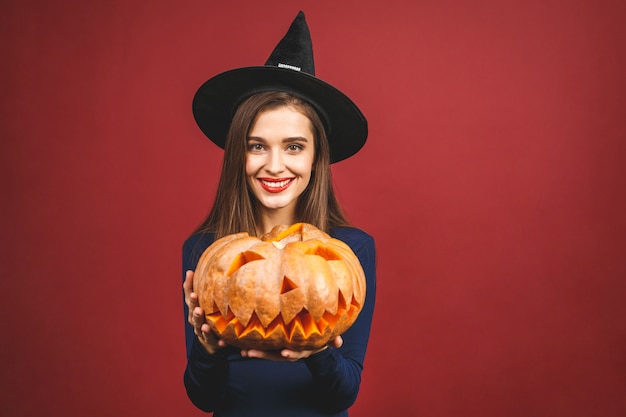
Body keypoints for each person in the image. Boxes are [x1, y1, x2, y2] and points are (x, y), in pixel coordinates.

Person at [182, 11, 376, 417]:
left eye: (293, 147)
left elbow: (344, 394)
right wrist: (208, 347)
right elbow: (203, 398)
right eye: (257, 146)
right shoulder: (205, 250)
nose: (274, 165)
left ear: (316, 157)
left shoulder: (349, 250)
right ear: (239, 154)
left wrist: (318, 350)